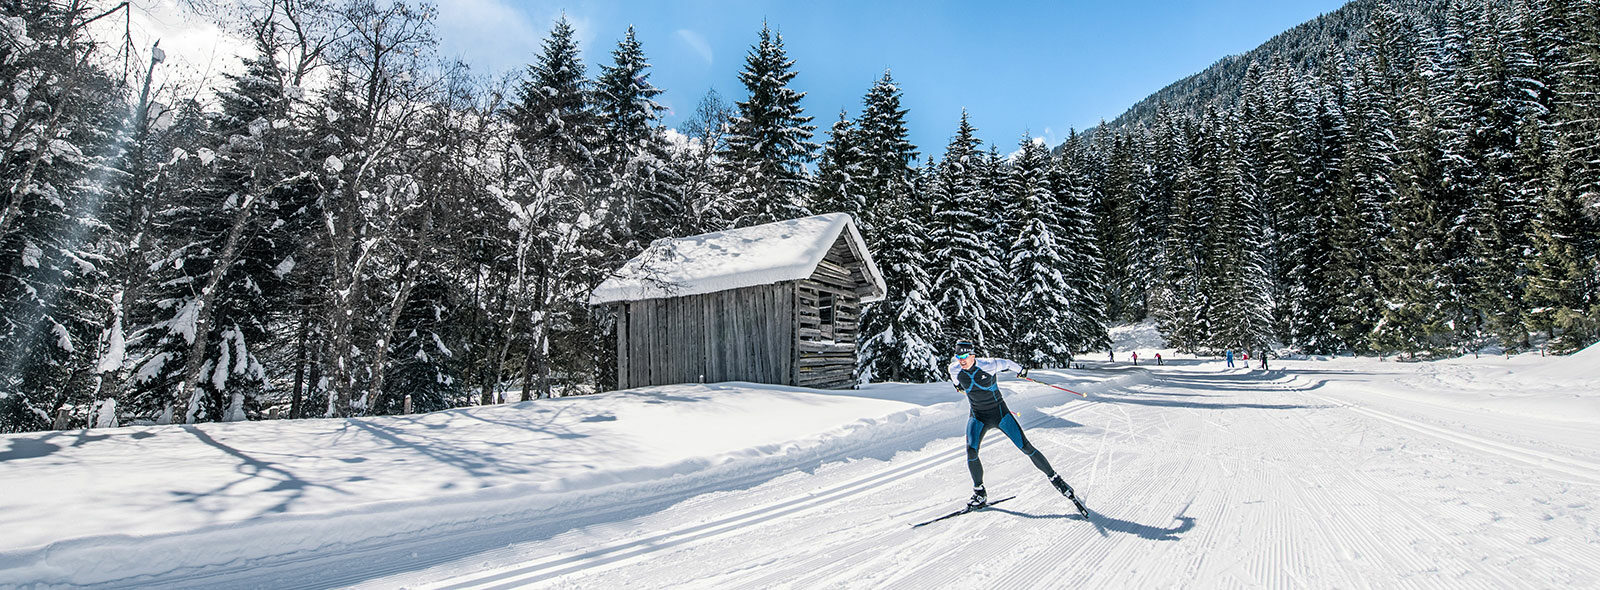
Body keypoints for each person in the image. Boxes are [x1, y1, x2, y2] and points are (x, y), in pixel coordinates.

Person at [947, 341, 1084, 511]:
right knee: (971, 451)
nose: (961, 360)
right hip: (977, 416)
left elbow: (1008, 363)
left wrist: (1021, 371)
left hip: (1000, 414)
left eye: (965, 356)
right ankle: (979, 492)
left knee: (1025, 447)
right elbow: (957, 384)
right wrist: (959, 387)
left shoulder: (989, 364)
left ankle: (1058, 481)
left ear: (973, 355)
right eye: (958, 356)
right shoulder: (953, 369)